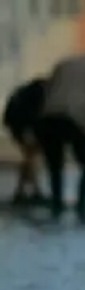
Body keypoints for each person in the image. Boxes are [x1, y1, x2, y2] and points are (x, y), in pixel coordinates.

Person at [33, 45, 85, 221]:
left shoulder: (64, 64)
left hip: (47, 118)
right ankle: (82, 204)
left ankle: (57, 204)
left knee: (55, 164)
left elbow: (47, 90)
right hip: (75, 120)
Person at [2, 76, 48, 205]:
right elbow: (32, 115)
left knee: (30, 157)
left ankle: (26, 191)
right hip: (24, 127)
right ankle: (26, 191)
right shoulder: (38, 95)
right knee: (31, 158)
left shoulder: (25, 92)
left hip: (16, 125)